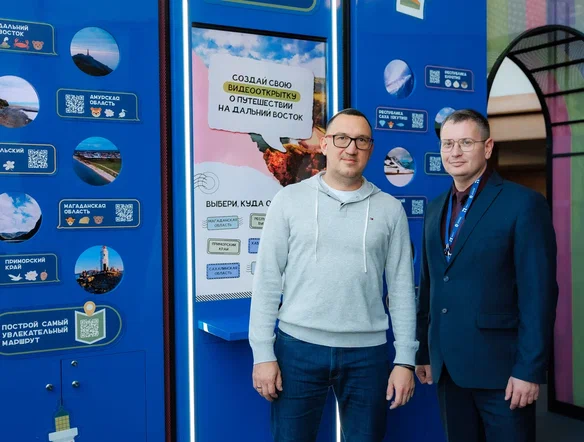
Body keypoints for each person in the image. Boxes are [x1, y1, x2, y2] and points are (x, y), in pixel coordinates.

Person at [249, 108, 419, 442]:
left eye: (361, 140)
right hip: (297, 349)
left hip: (367, 354)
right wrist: (263, 354)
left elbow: (401, 290)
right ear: (325, 144)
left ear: (370, 148)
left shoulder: (390, 209)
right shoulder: (289, 200)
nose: (351, 148)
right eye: (342, 138)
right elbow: (267, 280)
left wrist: (405, 361)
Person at [415, 109, 558, 442]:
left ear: (488, 147)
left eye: (466, 142)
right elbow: (431, 284)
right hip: (448, 368)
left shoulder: (523, 204)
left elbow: (539, 294)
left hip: (503, 373)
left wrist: (529, 369)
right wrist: (423, 351)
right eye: (448, 143)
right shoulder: (435, 208)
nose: (455, 152)